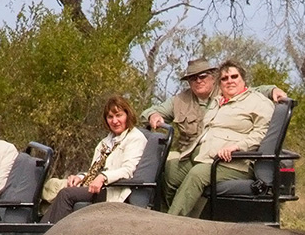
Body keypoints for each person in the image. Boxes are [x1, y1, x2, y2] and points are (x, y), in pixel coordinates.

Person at [163, 60, 286, 217]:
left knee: (197, 175)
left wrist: (238, 146)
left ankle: (173, 223)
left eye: (234, 77)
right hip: (204, 156)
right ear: (219, 83)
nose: (230, 81)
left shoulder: (258, 102)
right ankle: (169, 215)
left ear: (243, 79)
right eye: (224, 78)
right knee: (170, 170)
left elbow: (263, 133)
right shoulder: (217, 101)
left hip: (234, 162)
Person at [42, 97, 148, 223]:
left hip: (113, 189)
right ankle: (39, 231)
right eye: (110, 117)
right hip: (95, 186)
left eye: (119, 115)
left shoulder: (135, 138)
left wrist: (103, 177)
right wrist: (80, 177)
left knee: (66, 194)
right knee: (55, 189)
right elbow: (94, 170)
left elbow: (128, 170)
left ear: (127, 115)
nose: (114, 121)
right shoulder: (105, 142)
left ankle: (48, 234)